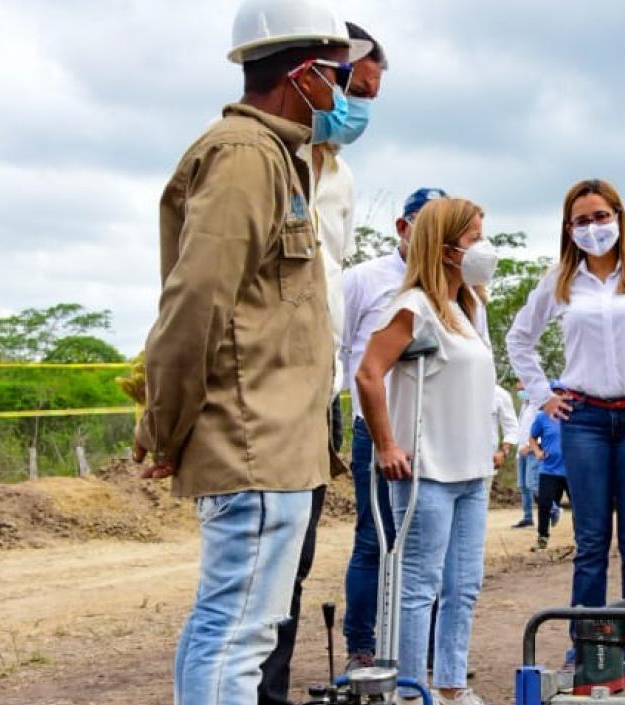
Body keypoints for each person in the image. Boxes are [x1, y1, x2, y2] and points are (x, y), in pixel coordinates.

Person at [133, 2, 370, 702]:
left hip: (272, 440)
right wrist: (163, 424)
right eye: (338, 77)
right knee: (237, 632)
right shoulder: (244, 157)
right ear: (301, 75)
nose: (344, 96)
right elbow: (195, 302)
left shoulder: (275, 157)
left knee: (236, 626)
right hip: (252, 439)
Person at [505, 179, 625, 697]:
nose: (593, 228)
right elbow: (520, 338)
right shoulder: (560, 281)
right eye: (581, 221)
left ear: (620, 217)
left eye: (600, 216)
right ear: (569, 228)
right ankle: (586, 653)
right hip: (582, 418)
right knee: (590, 543)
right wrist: (543, 396)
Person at [259, 20, 387, 705]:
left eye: (368, 97)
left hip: (319, 393)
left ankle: (270, 693)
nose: (358, 107)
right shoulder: (263, 159)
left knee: (297, 562)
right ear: (315, 74)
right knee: (254, 569)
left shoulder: (339, 175)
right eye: (353, 88)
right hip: (265, 393)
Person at [355, 197, 498, 705]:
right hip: (429, 470)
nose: (483, 247)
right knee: (420, 585)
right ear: (444, 246)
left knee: (464, 586)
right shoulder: (413, 306)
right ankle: (412, 691)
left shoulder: (469, 306)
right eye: (473, 238)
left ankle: (453, 686)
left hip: (472, 469)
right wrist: (386, 443)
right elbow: (369, 373)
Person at [339, 187, 470, 672]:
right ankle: (362, 645)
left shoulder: (455, 288)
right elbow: (343, 351)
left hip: (433, 433)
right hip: (377, 428)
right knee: (375, 539)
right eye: (426, 221)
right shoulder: (363, 280)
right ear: (403, 226)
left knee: (429, 545)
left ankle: (425, 647)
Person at [529, 381, 569, 551]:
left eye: (561, 392)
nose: (558, 396)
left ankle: (582, 539)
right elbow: (532, 438)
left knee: (579, 507)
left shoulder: (573, 415)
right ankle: (542, 538)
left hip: (571, 471)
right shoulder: (542, 417)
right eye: (555, 392)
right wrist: (537, 452)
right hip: (549, 470)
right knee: (544, 504)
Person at [513, 379, 542, 528]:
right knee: (523, 486)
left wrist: (531, 448)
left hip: (532, 451)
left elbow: (543, 429)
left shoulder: (538, 407)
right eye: (518, 390)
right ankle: (528, 518)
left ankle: (554, 509)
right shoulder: (524, 407)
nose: (519, 392)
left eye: (521, 389)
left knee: (532, 484)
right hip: (521, 451)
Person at [492, 383, 520, 471]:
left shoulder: (499, 394)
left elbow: (512, 428)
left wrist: (503, 452)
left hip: (488, 461)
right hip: (453, 463)